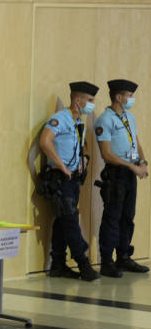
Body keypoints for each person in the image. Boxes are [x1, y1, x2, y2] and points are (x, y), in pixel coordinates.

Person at [39, 81, 100, 281]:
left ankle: (58, 263)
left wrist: (81, 160)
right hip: (60, 178)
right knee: (71, 219)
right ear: (77, 100)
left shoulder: (79, 122)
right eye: (89, 100)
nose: (92, 104)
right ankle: (83, 263)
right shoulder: (60, 119)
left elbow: (77, 147)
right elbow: (45, 141)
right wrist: (61, 165)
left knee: (63, 221)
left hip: (73, 178)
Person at [95, 79, 150, 277]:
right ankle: (107, 262)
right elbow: (106, 154)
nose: (131, 99)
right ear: (118, 97)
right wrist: (131, 167)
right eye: (129, 95)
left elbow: (136, 142)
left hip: (130, 173)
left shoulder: (129, 118)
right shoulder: (105, 120)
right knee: (113, 217)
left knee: (128, 217)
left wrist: (142, 162)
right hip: (116, 174)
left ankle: (123, 257)